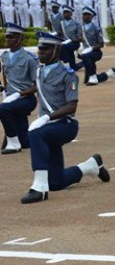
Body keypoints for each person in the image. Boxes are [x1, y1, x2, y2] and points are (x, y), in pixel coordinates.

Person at [20, 31, 110, 203]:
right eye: (40, 49)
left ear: (56, 50)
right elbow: (33, 87)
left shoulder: (68, 74)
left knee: (35, 134)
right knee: (56, 182)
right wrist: (16, 94)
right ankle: (90, 166)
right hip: (48, 128)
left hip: (64, 124)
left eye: (45, 49)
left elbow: (71, 106)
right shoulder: (39, 71)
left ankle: (39, 188)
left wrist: (46, 118)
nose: (41, 52)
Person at [1, 23, 38, 155]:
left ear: (20, 38)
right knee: (26, 141)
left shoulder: (29, 58)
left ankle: (14, 144)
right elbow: (5, 75)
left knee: (3, 109)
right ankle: (26, 140)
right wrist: (5, 90)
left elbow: (37, 85)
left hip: (26, 99)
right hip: (11, 98)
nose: (8, 39)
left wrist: (18, 94)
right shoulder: (4, 56)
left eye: (12, 37)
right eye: (7, 37)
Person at [77, 7, 104, 85]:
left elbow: (101, 44)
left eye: (87, 15)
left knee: (86, 57)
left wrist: (91, 48)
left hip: (96, 52)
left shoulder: (96, 27)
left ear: (91, 16)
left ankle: (92, 78)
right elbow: (81, 39)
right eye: (83, 14)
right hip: (86, 51)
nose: (84, 16)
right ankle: (95, 76)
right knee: (85, 57)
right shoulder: (81, 27)